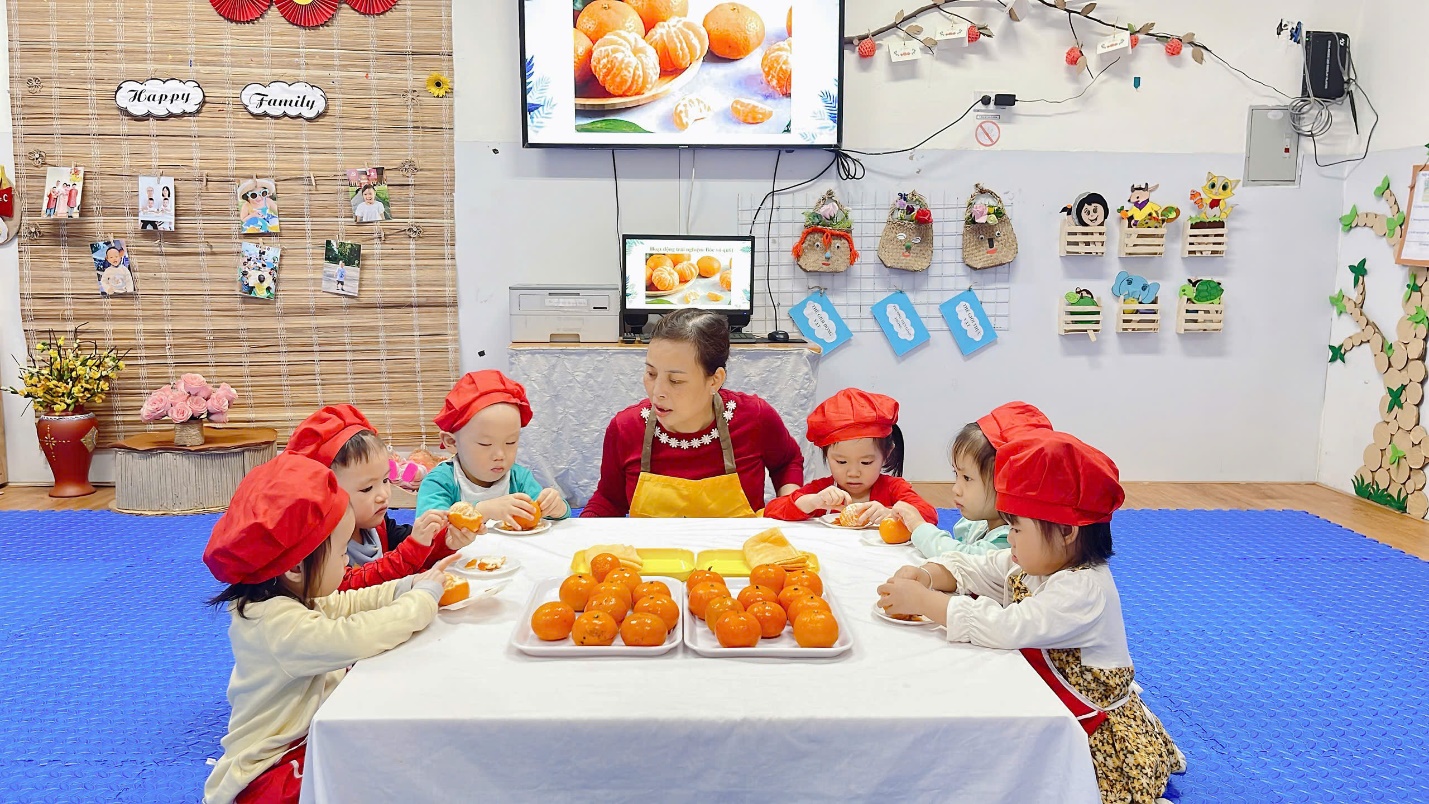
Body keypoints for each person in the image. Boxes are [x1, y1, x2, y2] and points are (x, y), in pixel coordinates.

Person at [877, 430, 1185, 804]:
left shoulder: (1083, 589)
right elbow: (979, 567)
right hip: (1050, 702)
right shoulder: (1039, 561)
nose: (1010, 540)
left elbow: (1007, 626)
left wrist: (928, 602)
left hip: (1091, 730)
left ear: (1068, 531)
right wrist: (928, 575)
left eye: (1018, 529)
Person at [202, 453, 454, 804]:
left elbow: (346, 605)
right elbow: (356, 634)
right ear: (294, 569)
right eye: (339, 554)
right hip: (267, 771)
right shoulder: (278, 625)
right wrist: (422, 601)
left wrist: (406, 586)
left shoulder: (285, 598)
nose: (348, 560)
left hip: (301, 739)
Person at [583, 309, 804, 518]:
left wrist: (789, 504)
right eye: (651, 373)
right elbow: (609, 499)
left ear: (715, 380)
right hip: (654, 556)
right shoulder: (626, 428)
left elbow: (787, 461)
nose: (657, 392)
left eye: (675, 380)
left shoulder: (754, 417)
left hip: (736, 555)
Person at [286, 404, 474, 590]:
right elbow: (353, 586)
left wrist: (444, 541)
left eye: (385, 480)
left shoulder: (377, 524)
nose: (383, 495)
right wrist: (414, 547)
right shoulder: (323, 549)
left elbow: (412, 553)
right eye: (367, 488)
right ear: (324, 494)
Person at [893, 401, 1052, 559]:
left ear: (1009, 485)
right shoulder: (977, 524)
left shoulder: (1010, 542)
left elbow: (962, 559)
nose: (956, 489)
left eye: (967, 478)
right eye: (957, 475)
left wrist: (919, 527)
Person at [416, 370, 570, 528]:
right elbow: (429, 531)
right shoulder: (441, 481)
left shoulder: (519, 478)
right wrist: (484, 510)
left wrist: (557, 507)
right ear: (452, 442)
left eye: (510, 442)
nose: (500, 455)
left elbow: (550, 514)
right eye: (485, 444)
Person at [764, 388, 935, 524]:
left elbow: (929, 515)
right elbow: (772, 510)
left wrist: (891, 513)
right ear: (826, 454)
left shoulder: (893, 488)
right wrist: (812, 502)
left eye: (866, 462)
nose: (853, 472)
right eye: (841, 461)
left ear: (887, 453)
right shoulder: (823, 491)